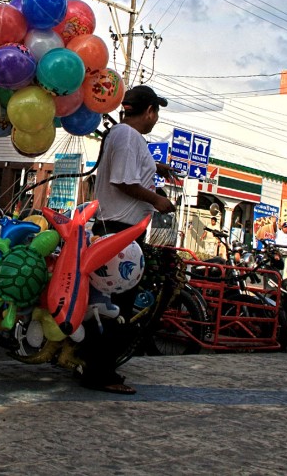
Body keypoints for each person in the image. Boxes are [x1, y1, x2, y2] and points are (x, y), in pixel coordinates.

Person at [81, 84, 175, 394]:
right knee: (115, 307)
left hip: (118, 229)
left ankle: (92, 366)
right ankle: (100, 373)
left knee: (105, 304)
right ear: (149, 112)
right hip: (119, 231)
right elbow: (121, 180)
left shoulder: (126, 137)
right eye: (156, 112)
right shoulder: (128, 136)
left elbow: (127, 170)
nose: (156, 119)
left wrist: (158, 168)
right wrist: (158, 201)